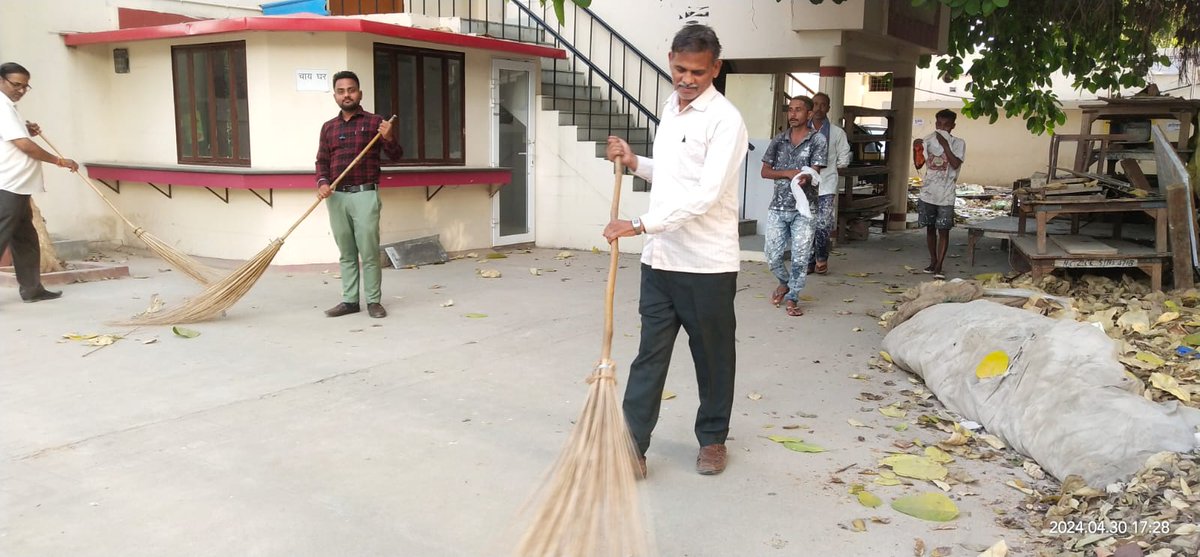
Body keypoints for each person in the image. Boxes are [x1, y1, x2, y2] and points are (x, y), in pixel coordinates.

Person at [603, 24, 748, 476]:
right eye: (681, 69)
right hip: (661, 261)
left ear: (715, 69)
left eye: (698, 72)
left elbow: (705, 195)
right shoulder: (670, 108)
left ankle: (713, 440)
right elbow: (671, 175)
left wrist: (639, 224)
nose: (687, 79)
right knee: (649, 356)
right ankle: (633, 446)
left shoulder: (726, 121)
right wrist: (634, 162)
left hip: (707, 266)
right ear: (670, 60)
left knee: (713, 359)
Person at [315, 70, 401, 319]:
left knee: (369, 250)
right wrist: (322, 183)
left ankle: (374, 301)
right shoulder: (328, 128)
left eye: (351, 90)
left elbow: (395, 155)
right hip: (336, 196)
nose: (346, 95)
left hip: (365, 194)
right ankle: (350, 300)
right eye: (341, 91)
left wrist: (389, 137)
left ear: (359, 93)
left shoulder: (375, 123)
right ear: (335, 96)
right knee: (347, 252)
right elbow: (321, 160)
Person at [0, 62, 79, 304]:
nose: (21, 90)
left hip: (19, 185)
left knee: (26, 239)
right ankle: (32, 289)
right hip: (8, 184)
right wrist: (58, 160)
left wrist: (25, 130)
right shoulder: (2, 106)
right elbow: (23, 146)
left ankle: (32, 289)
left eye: (25, 86)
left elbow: (16, 137)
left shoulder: (9, 107)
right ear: (1, 80)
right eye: (16, 85)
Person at [760, 96, 826, 317]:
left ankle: (793, 297)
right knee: (772, 254)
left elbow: (814, 171)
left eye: (798, 110)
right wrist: (788, 173)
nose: (793, 114)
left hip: (805, 210)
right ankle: (784, 282)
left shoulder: (817, 141)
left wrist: (804, 178)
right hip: (778, 207)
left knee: (800, 257)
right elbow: (765, 171)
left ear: (809, 114)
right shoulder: (779, 140)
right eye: (790, 110)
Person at [912, 109, 965, 279]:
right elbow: (919, 165)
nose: (942, 127)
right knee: (930, 228)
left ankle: (940, 266)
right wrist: (917, 148)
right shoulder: (928, 141)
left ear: (953, 126)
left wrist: (945, 145)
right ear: (935, 124)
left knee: (943, 230)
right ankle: (933, 261)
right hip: (928, 192)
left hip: (946, 193)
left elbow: (955, 164)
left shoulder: (958, 143)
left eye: (946, 125)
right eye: (939, 124)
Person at [808, 92, 851, 275]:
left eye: (823, 104)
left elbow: (844, 157)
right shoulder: (802, 130)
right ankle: (809, 261)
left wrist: (834, 169)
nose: (819, 108)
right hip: (805, 184)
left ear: (828, 108)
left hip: (826, 183)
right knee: (806, 223)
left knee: (823, 223)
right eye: (815, 104)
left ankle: (821, 258)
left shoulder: (836, 132)